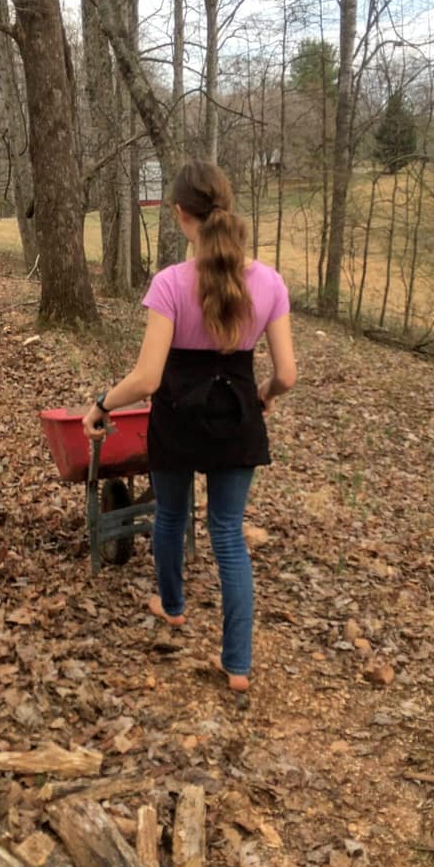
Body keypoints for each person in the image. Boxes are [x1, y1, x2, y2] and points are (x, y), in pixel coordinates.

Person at [82, 160, 296, 693]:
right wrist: (264, 395)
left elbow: (148, 378)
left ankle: (173, 607)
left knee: (172, 516)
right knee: (227, 534)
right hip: (238, 419)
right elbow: (288, 374)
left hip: (177, 418)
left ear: (179, 214)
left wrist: (101, 404)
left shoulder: (171, 284)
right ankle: (238, 664)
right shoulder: (268, 281)